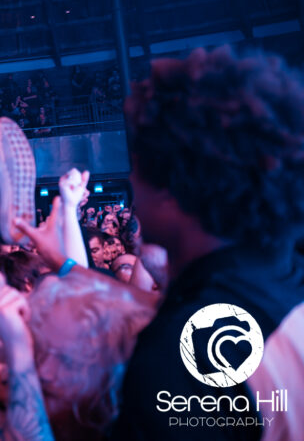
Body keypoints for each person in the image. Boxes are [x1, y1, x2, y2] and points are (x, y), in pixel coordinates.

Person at [113, 47, 304, 439]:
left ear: (172, 188)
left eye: (137, 168)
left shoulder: (185, 352)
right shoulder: (288, 277)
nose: (131, 184)